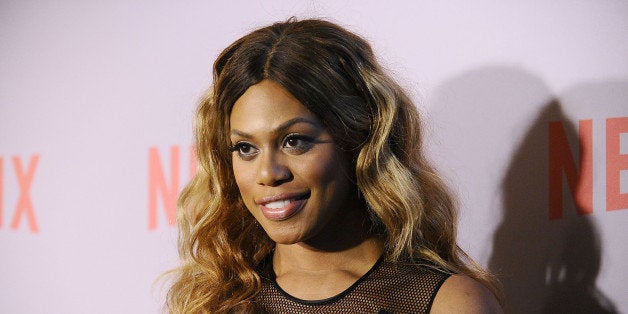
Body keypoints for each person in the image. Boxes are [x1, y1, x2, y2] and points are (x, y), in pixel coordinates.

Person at [166, 18, 503, 313]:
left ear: (360, 141)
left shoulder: (445, 303)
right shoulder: (214, 303)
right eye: (245, 148)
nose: (269, 174)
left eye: (294, 141)